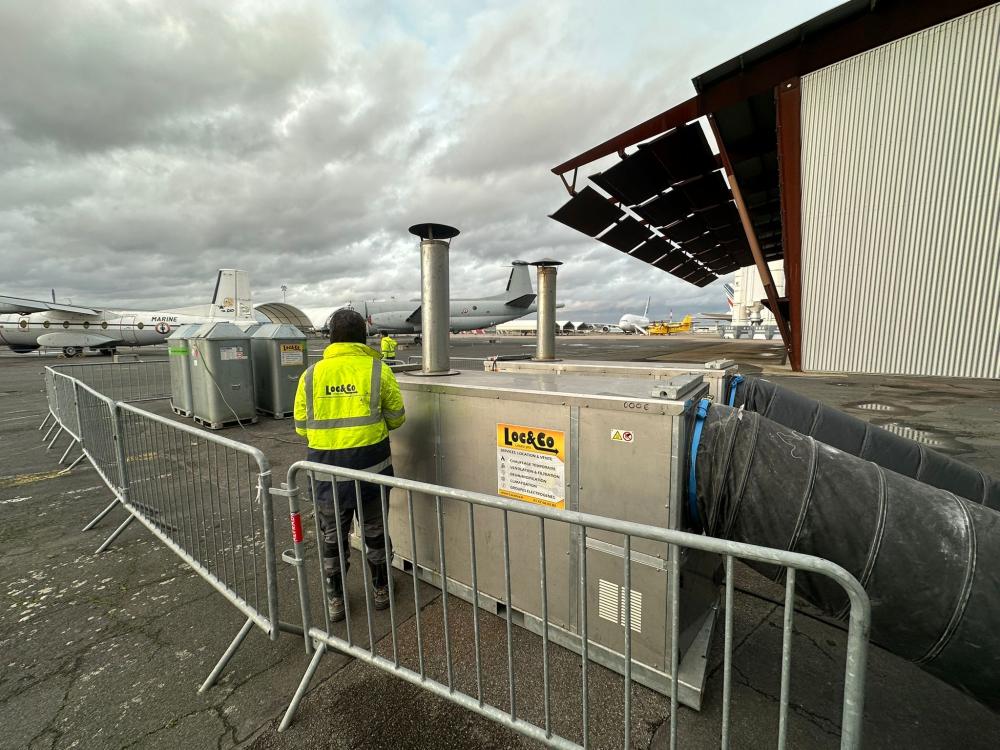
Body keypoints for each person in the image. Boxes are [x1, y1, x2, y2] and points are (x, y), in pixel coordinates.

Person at [294, 309, 406, 622]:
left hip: (327, 474)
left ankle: (335, 599)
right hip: (372, 471)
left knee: (332, 536)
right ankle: (381, 589)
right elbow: (397, 419)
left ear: (331, 338)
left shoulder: (311, 375)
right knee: (375, 531)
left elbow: (302, 427)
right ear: (363, 337)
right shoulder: (377, 370)